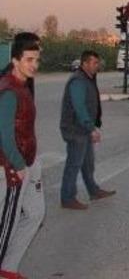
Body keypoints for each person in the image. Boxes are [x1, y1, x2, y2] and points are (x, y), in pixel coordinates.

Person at [0, 33, 44, 279]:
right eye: (28, 59)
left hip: (25, 162)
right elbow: (4, 134)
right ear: (15, 60)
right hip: (11, 167)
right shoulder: (9, 90)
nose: (34, 65)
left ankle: (8, 267)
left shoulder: (22, 85)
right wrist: (18, 165)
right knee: (7, 224)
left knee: (35, 214)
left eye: (36, 60)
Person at [59, 50, 116, 210]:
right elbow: (79, 107)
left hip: (83, 129)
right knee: (74, 164)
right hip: (75, 130)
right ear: (84, 63)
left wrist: (92, 125)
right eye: (94, 63)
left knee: (87, 163)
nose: (97, 66)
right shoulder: (78, 80)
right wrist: (91, 128)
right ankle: (67, 198)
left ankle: (93, 190)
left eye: (98, 63)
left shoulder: (88, 78)